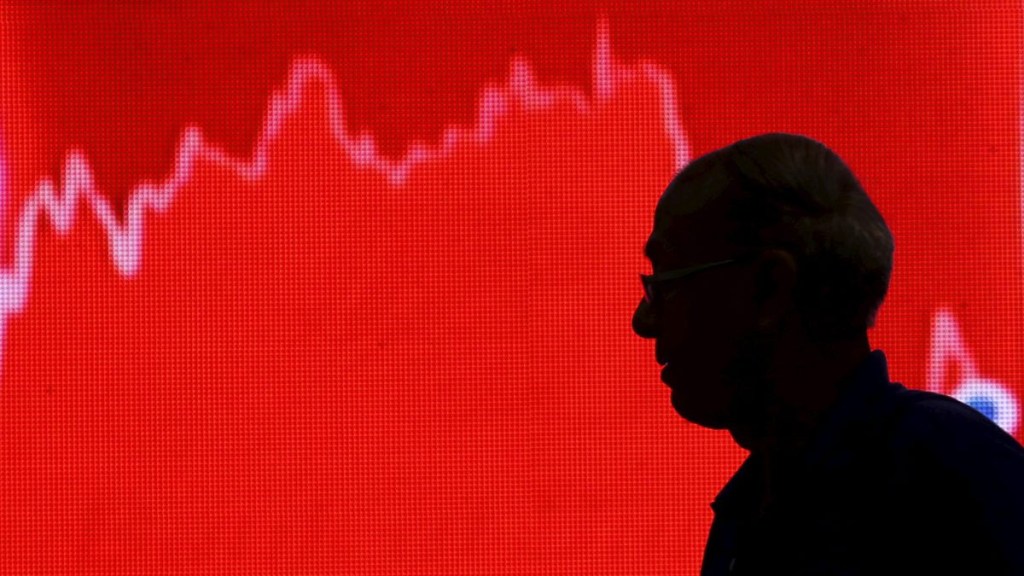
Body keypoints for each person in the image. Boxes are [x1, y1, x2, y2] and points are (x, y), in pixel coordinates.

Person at [631, 133, 1024, 575]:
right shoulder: (753, 504)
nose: (643, 321)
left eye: (666, 283)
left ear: (769, 287)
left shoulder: (953, 473)